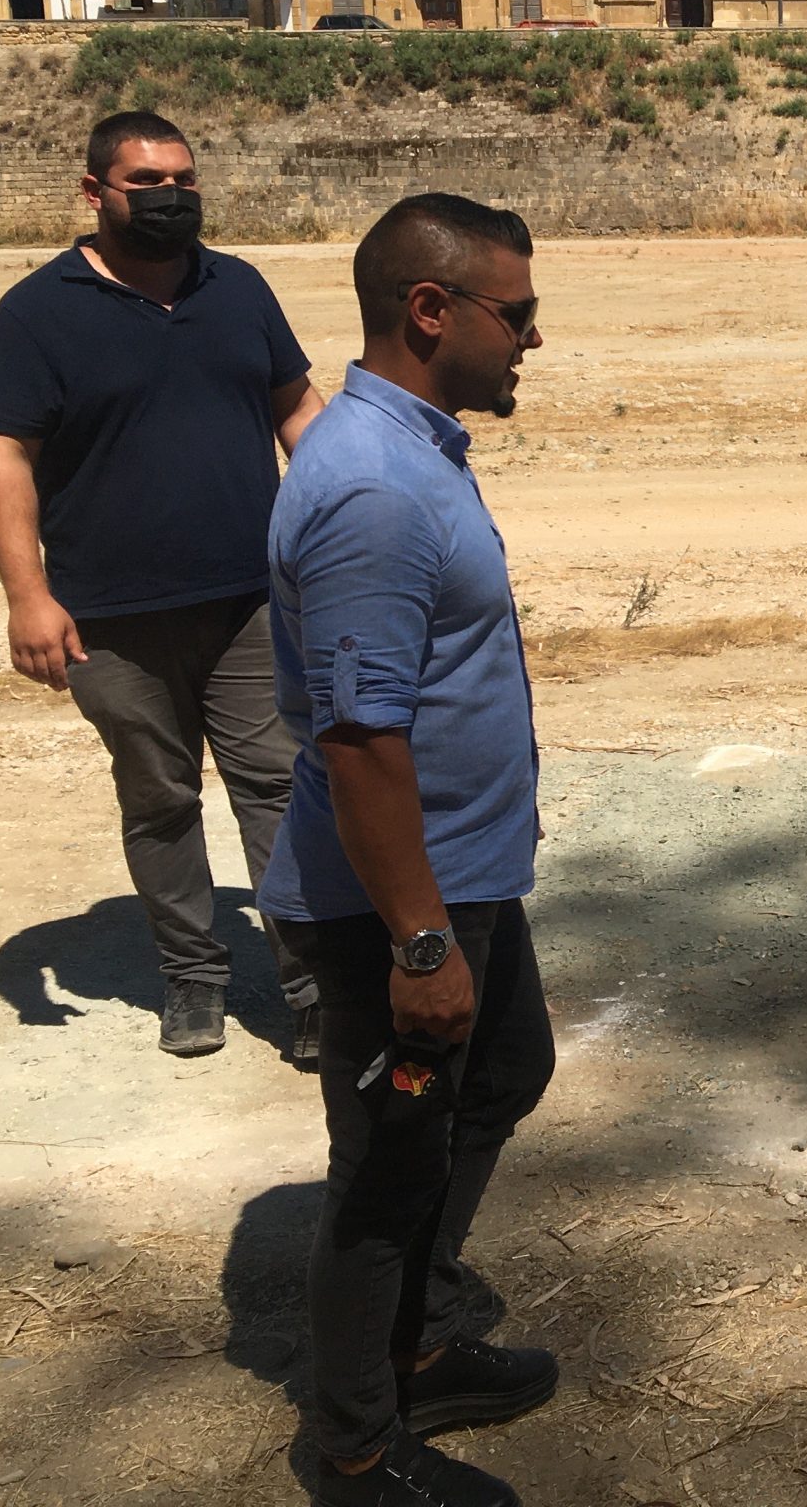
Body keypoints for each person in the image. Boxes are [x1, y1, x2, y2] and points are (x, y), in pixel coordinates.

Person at [261, 193, 557, 1507]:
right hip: (401, 904)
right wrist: (422, 944)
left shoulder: (411, 447)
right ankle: (356, 1451)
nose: (533, 339)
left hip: (464, 874)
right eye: (518, 313)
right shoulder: (374, 490)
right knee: (387, 1171)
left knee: (503, 1074)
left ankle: (420, 1339)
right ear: (430, 311)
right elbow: (360, 740)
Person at [0, 110, 325, 1062]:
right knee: (160, 799)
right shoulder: (37, 312)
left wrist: (355, 504)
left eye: (184, 180)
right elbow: (6, 455)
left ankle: (312, 988)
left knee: (281, 786)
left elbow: (296, 407)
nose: (172, 197)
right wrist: (27, 595)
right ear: (96, 193)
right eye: (147, 183)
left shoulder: (237, 286)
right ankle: (192, 978)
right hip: (111, 618)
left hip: (251, 601)